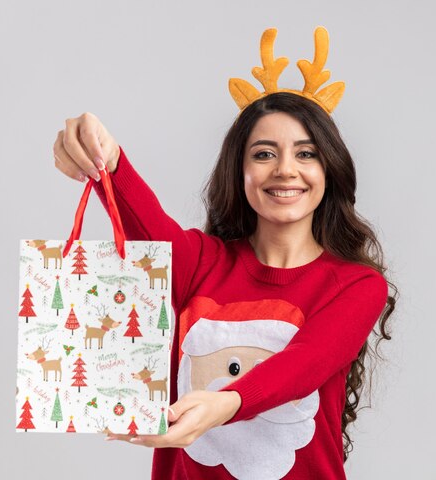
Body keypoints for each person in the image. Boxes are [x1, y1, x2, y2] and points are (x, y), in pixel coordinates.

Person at [53, 26, 397, 480]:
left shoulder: (355, 286)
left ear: (329, 170)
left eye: (306, 153)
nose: (285, 170)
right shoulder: (201, 263)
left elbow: (305, 363)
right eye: (264, 154)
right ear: (240, 172)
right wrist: (108, 160)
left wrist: (227, 401)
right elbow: (147, 229)